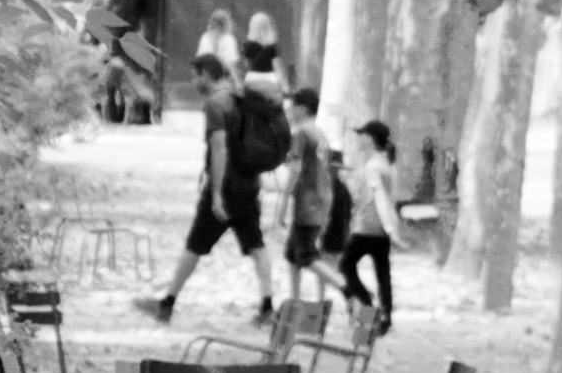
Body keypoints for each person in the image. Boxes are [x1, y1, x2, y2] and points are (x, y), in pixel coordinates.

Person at [134, 54, 275, 326]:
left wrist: (217, 193)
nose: (193, 81)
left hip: (226, 186)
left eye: (194, 75)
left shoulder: (215, 104)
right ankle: (268, 305)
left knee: (195, 245)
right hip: (249, 184)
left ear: (206, 75)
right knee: (256, 245)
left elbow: (220, 147)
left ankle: (167, 304)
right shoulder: (243, 99)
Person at [278, 88, 348, 303]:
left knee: (306, 255)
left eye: (293, 106)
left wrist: (283, 203)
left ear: (303, 108)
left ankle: (347, 289)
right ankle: (295, 302)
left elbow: (296, 170)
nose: (290, 110)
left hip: (307, 203)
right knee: (292, 254)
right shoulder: (320, 134)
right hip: (322, 198)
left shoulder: (301, 134)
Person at [339, 120, 405, 336]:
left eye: (361, 135)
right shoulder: (387, 164)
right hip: (380, 229)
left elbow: (381, 198)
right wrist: (391, 228)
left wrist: (389, 227)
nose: (358, 139)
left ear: (368, 139)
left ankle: (368, 306)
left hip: (368, 227)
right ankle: (386, 316)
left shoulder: (373, 166)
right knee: (382, 272)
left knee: (345, 266)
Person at [242, 12, 282, 96]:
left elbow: (247, 65)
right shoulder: (273, 47)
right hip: (270, 79)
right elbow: (277, 66)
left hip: (252, 78)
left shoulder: (247, 45)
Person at [194, 8, 240, 75]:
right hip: (216, 76)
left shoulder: (206, 38)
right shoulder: (228, 39)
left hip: (213, 75)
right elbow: (231, 62)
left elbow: (200, 59)